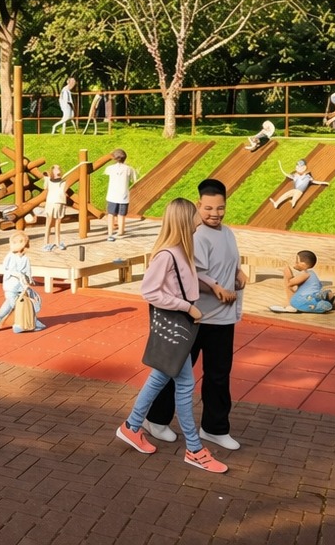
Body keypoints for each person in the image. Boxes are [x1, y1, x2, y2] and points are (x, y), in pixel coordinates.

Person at [114, 198, 228, 474]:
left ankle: (131, 427)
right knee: (185, 386)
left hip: (184, 325)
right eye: (195, 216)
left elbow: (188, 280)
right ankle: (195, 449)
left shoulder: (181, 251)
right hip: (178, 326)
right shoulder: (167, 254)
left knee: (159, 377)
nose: (199, 220)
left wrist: (210, 285)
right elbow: (150, 292)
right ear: (184, 220)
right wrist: (187, 306)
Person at [143, 178, 244, 452]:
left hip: (223, 318)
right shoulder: (195, 235)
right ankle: (155, 420)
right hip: (197, 318)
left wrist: (238, 273)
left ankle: (215, 428)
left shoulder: (228, 232)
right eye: (209, 208)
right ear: (199, 205)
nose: (215, 214)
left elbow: (231, 261)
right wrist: (215, 287)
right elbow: (189, 274)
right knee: (172, 371)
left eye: (220, 208)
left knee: (219, 375)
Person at [0, 231, 45, 333]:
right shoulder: (10, 256)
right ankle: (22, 322)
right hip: (11, 286)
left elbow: (27, 271)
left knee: (29, 300)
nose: (12, 245)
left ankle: (29, 320)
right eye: (12, 243)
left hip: (22, 287)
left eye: (15, 243)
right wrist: (16, 274)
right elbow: (5, 268)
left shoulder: (25, 259)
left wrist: (28, 280)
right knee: (14, 304)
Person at [271, 250, 335, 313]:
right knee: (319, 295)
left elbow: (290, 283)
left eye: (297, 261)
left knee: (296, 302)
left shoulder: (306, 274)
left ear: (303, 264)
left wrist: (286, 272)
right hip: (312, 295)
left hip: (305, 299)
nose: (295, 263)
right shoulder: (312, 273)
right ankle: (327, 299)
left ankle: (319, 307)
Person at [103, 148, 138, 242]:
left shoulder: (110, 168)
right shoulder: (129, 169)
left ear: (114, 158)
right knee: (121, 215)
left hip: (112, 195)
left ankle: (110, 232)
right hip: (124, 196)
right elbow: (134, 179)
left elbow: (106, 173)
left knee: (111, 214)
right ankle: (120, 231)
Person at [41, 163, 68, 252]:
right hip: (50, 203)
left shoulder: (63, 181)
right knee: (48, 223)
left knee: (58, 224)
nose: (58, 170)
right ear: (52, 171)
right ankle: (46, 243)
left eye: (59, 168)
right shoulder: (49, 180)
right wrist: (46, 177)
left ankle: (57, 242)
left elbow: (63, 193)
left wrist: (64, 204)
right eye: (56, 169)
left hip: (59, 203)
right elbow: (45, 187)